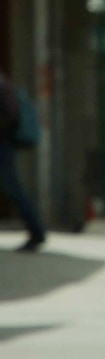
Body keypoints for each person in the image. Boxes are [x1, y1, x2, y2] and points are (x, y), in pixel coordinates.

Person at [0, 69, 45, 252]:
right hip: (5, 143)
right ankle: (36, 231)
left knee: (12, 187)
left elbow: (9, 115)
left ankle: (36, 231)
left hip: (2, 144)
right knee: (12, 186)